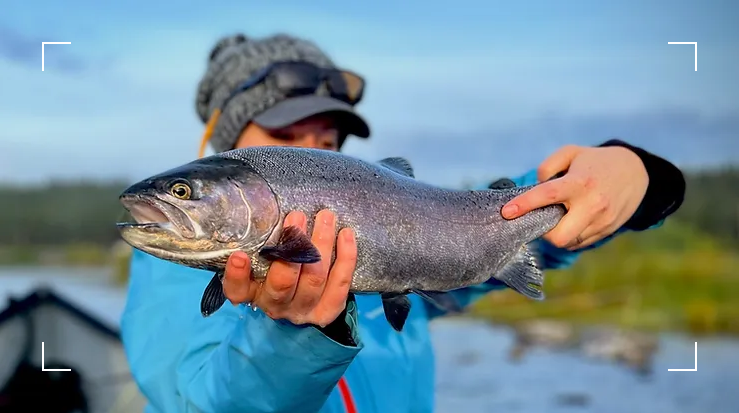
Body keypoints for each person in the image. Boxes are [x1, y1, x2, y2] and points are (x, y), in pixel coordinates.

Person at [120, 33, 686, 413]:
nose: (313, 154)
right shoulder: (167, 275)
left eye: (325, 142)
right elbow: (205, 403)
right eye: (284, 139)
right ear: (225, 150)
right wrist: (290, 336)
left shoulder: (402, 232)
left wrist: (635, 173)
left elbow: (509, 213)